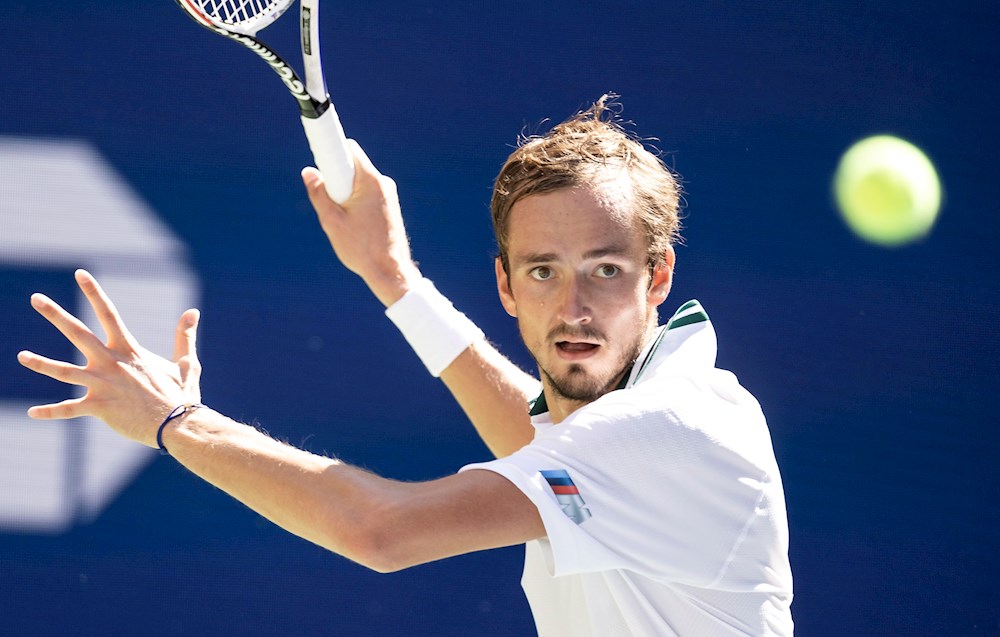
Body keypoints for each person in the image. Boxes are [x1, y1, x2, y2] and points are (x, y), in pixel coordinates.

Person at [18, 97, 793, 635]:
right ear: (506, 284)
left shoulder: (674, 425)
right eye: (543, 271)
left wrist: (176, 422)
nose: (574, 308)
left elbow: (380, 530)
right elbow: (532, 435)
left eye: (606, 270)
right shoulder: (619, 426)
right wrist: (395, 278)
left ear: (658, 276)